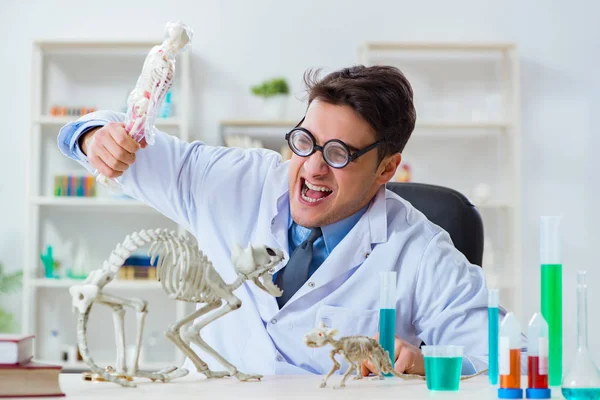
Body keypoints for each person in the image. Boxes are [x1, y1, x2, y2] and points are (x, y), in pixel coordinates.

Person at [57, 65, 514, 378]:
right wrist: (96, 136)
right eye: (305, 141)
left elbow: (506, 356)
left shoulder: (421, 251)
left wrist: (421, 363)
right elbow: (104, 134)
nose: (313, 167)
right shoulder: (234, 180)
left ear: (386, 169)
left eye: (339, 154)